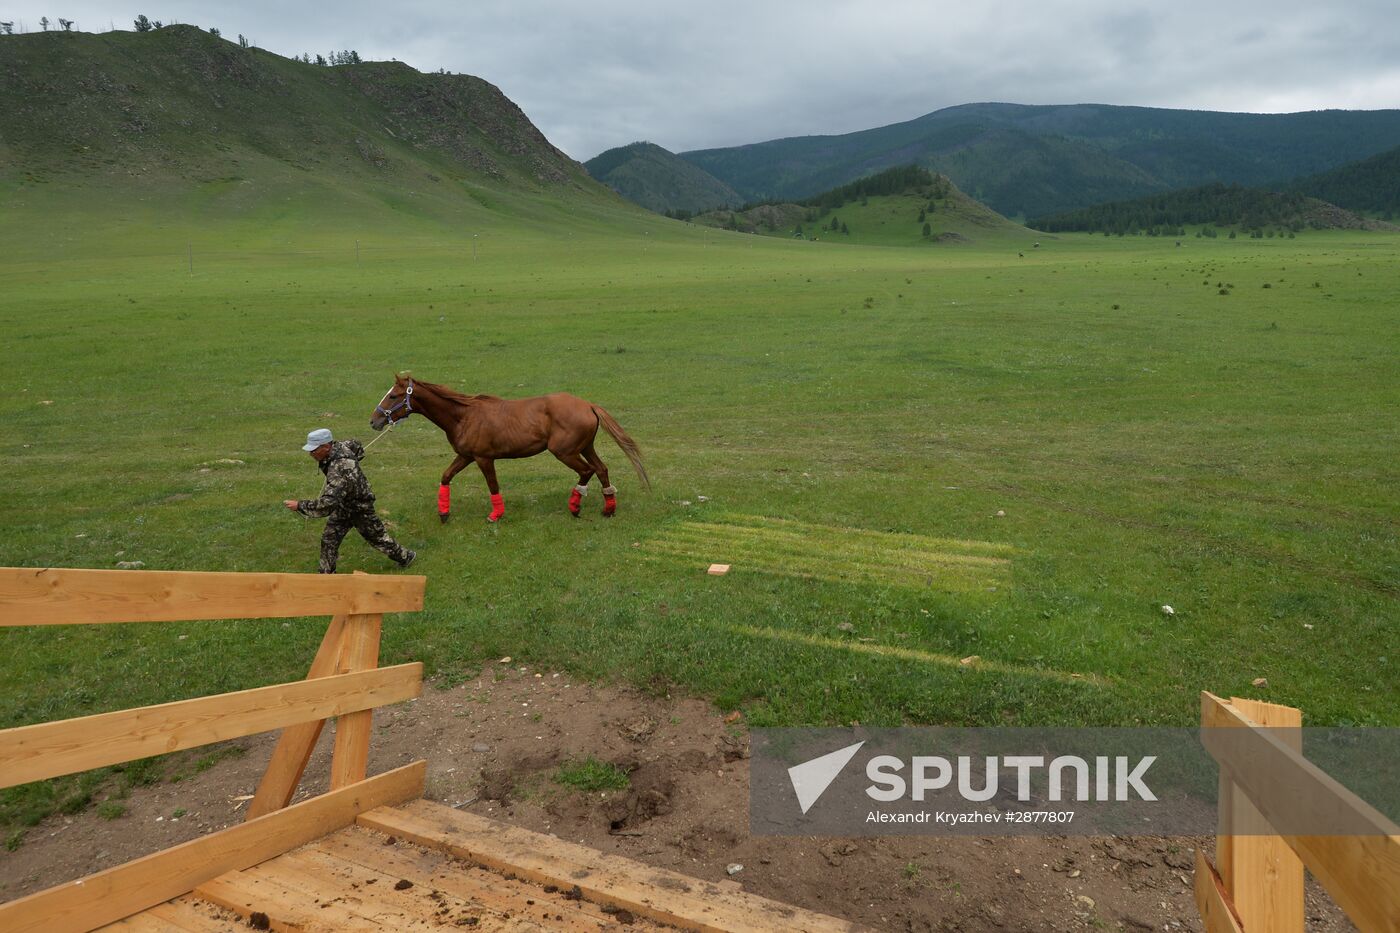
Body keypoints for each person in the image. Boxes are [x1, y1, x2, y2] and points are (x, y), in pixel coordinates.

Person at [284, 428, 416, 574]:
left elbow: (328, 503)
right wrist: (355, 466)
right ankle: (326, 575)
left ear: (326, 447)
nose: (311, 454)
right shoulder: (341, 445)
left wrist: (300, 505)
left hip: (360, 507)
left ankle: (406, 557)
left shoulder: (339, 468)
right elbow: (356, 444)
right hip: (344, 505)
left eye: (314, 450)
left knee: (378, 538)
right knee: (329, 538)